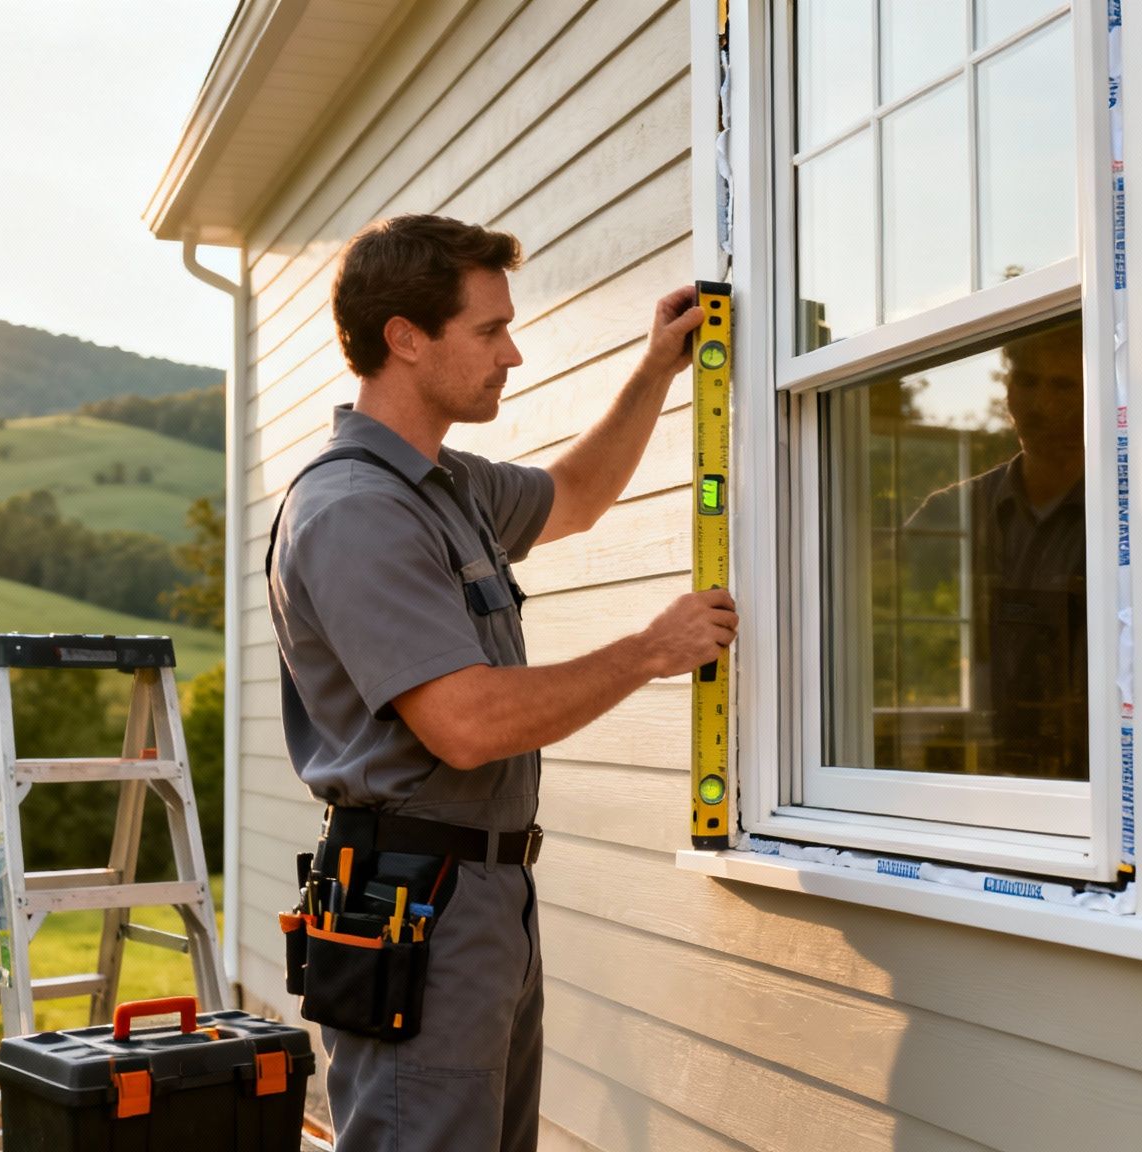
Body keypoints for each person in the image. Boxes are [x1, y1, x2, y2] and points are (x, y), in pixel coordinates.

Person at [266, 213, 738, 1152]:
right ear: (404, 337)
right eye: (488, 330)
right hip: (417, 900)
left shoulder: (445, 485)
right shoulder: (357, 510)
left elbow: (577, 495)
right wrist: (648, 650)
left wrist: (654, 372)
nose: (513, 354)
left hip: (481, 892)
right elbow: (467, 723)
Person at [903, 319, 1087, 778]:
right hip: (970, 774)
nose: (1042, 405)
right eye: (1028, 381)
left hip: (1094, 782)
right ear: (1008, 391)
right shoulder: (948, 515)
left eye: (1064, 386)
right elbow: (874, 624)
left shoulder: (1128, 517)